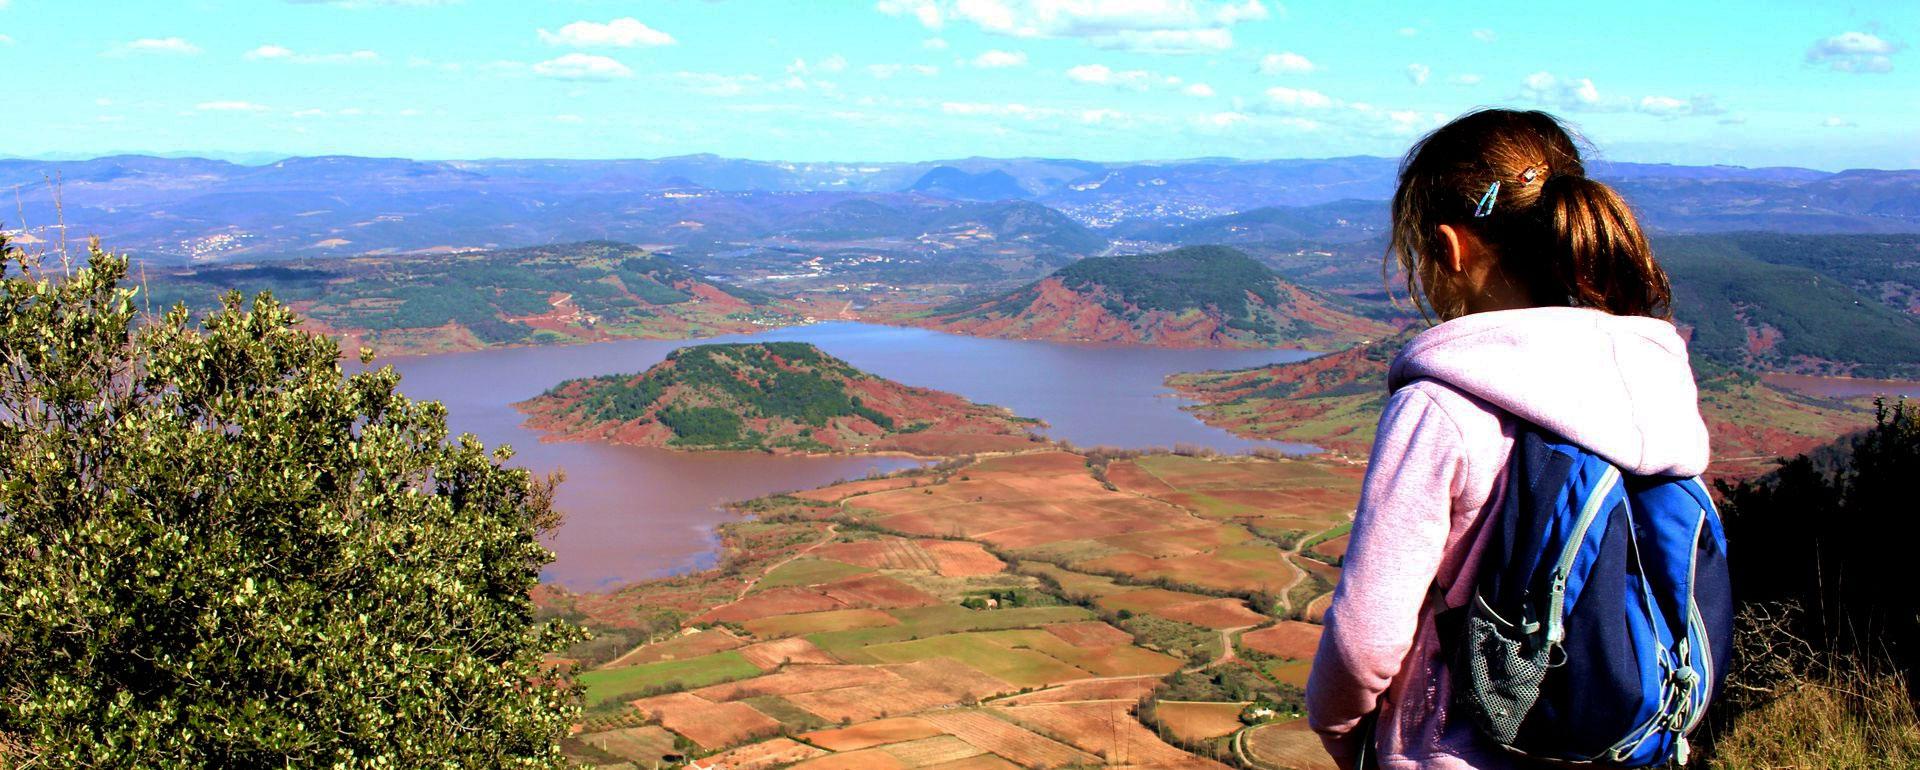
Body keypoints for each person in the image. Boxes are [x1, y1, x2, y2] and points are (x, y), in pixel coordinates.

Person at [1304, 108, 1710, 770]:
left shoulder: (1440, 408)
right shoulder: (1657, 384)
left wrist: (1338, 728)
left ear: (1448, 248)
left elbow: (1365, 638)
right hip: (1625, 745)